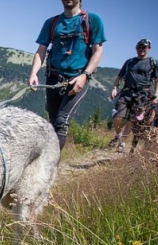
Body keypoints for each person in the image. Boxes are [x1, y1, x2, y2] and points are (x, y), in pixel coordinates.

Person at [28, 0, 106, 150]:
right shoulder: (52, 23)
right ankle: (47, 160)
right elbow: (41, 50)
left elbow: (98, 51)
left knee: (61, 121)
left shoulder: (93, 20)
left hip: (77, 78)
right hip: (54, 78)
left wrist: (85, 75)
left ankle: (51, 165)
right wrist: (33, 73)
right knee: (52, 121)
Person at [109, 38, 158, 152]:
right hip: (126, 92)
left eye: (144, 47)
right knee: (117, 117)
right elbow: (119, 77)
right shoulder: (129, 62)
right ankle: (119, 137)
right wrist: (114, 88)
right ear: (136, 48)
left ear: (148, 48)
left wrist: (156, 94)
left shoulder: (153, 62)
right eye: (139, 47)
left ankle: (122, 144)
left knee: (131, 120)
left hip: (142, 95)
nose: (141, 49)